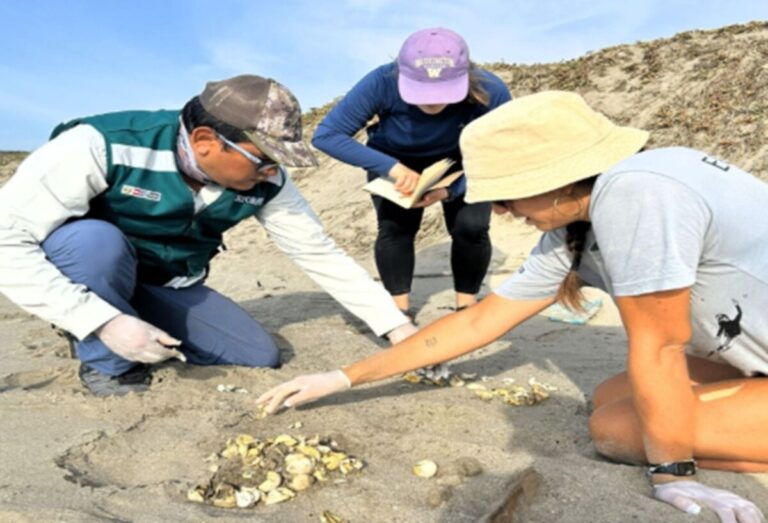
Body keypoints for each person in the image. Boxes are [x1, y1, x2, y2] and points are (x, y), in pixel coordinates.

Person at [258, 91, 768, 522]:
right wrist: (344, 377)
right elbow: (482, 319)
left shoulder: (639, 193)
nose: (500, 211)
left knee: (615, 432)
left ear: (555, 175)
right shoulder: (578, 225)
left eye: (505, 195)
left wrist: (671, 473)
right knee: (610, 396)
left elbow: (661, 345)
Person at [0, 75, 416, 397]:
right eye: (265, 160)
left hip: (166, 281)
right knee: (94, 244)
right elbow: (6, 241)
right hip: (92, 265)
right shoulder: (98, 145)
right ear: (204, 141)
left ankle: (132, 315)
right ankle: (105, 360)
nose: (272, 173)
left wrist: (396, 328)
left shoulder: (267, 180)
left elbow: (318, 253)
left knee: (258, 354)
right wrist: (100, 321)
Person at [312, 27, 511, 318]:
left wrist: (451, 190)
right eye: (422, 91)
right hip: (394, 161)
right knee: (395, 229)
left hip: (460, 163)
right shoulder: (381, 82)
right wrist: (390, 168)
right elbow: (327, 135)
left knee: (472, 228)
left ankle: (467, 308)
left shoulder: (491, 90)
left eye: (442, 91)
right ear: (402, 74)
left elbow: (507, 151)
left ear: (465, 76)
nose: (431, 101)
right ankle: (398, 312)